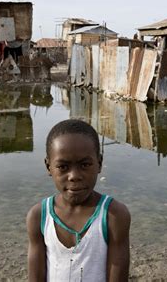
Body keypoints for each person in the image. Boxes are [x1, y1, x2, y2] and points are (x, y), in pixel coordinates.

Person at [26, 119, 131, 281]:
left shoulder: (113, 216)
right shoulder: (39, 216)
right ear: (48, 167)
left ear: (99, 163)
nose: (74, 176)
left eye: (85, 165)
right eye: (63, 167)